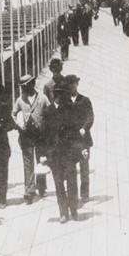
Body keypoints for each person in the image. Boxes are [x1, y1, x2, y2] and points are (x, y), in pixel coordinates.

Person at [42, 80, 85, 223]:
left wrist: (79, 149)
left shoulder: (70, 109)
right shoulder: (48, 112)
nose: (62, 97)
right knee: (59, 184)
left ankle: (74, 210)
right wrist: (44, 154)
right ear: (55, 96)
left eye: (64, 94)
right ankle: (63, 212)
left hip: (69, 153)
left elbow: (76, 131)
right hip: (55, 155)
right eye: (59, 94)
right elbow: (44, 135)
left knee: (72, 182)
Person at [12, 74, 50, 204]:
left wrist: (46, 126)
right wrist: (19, 123)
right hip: (26, 135)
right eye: (22, 87)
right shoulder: (20, 100)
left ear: (32, 84)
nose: (24, 89)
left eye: (26, 85)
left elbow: (50, 113)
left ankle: (42, 187)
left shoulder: (42, 98)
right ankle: (29, 191)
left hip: (40, 135)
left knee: (41, 161)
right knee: (28, 163)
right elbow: (13, 114)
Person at [65, 74, 94, 203]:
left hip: (83, 140)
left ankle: (85, 194)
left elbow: (90, 117)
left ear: (77, 84)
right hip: (70, 141)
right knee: (70, 169)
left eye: (74, 83)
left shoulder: (84, 100)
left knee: (84, 167)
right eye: (70, 84)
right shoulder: (64, 101)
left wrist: (84, 128)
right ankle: (73, 194)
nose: (72, 86)